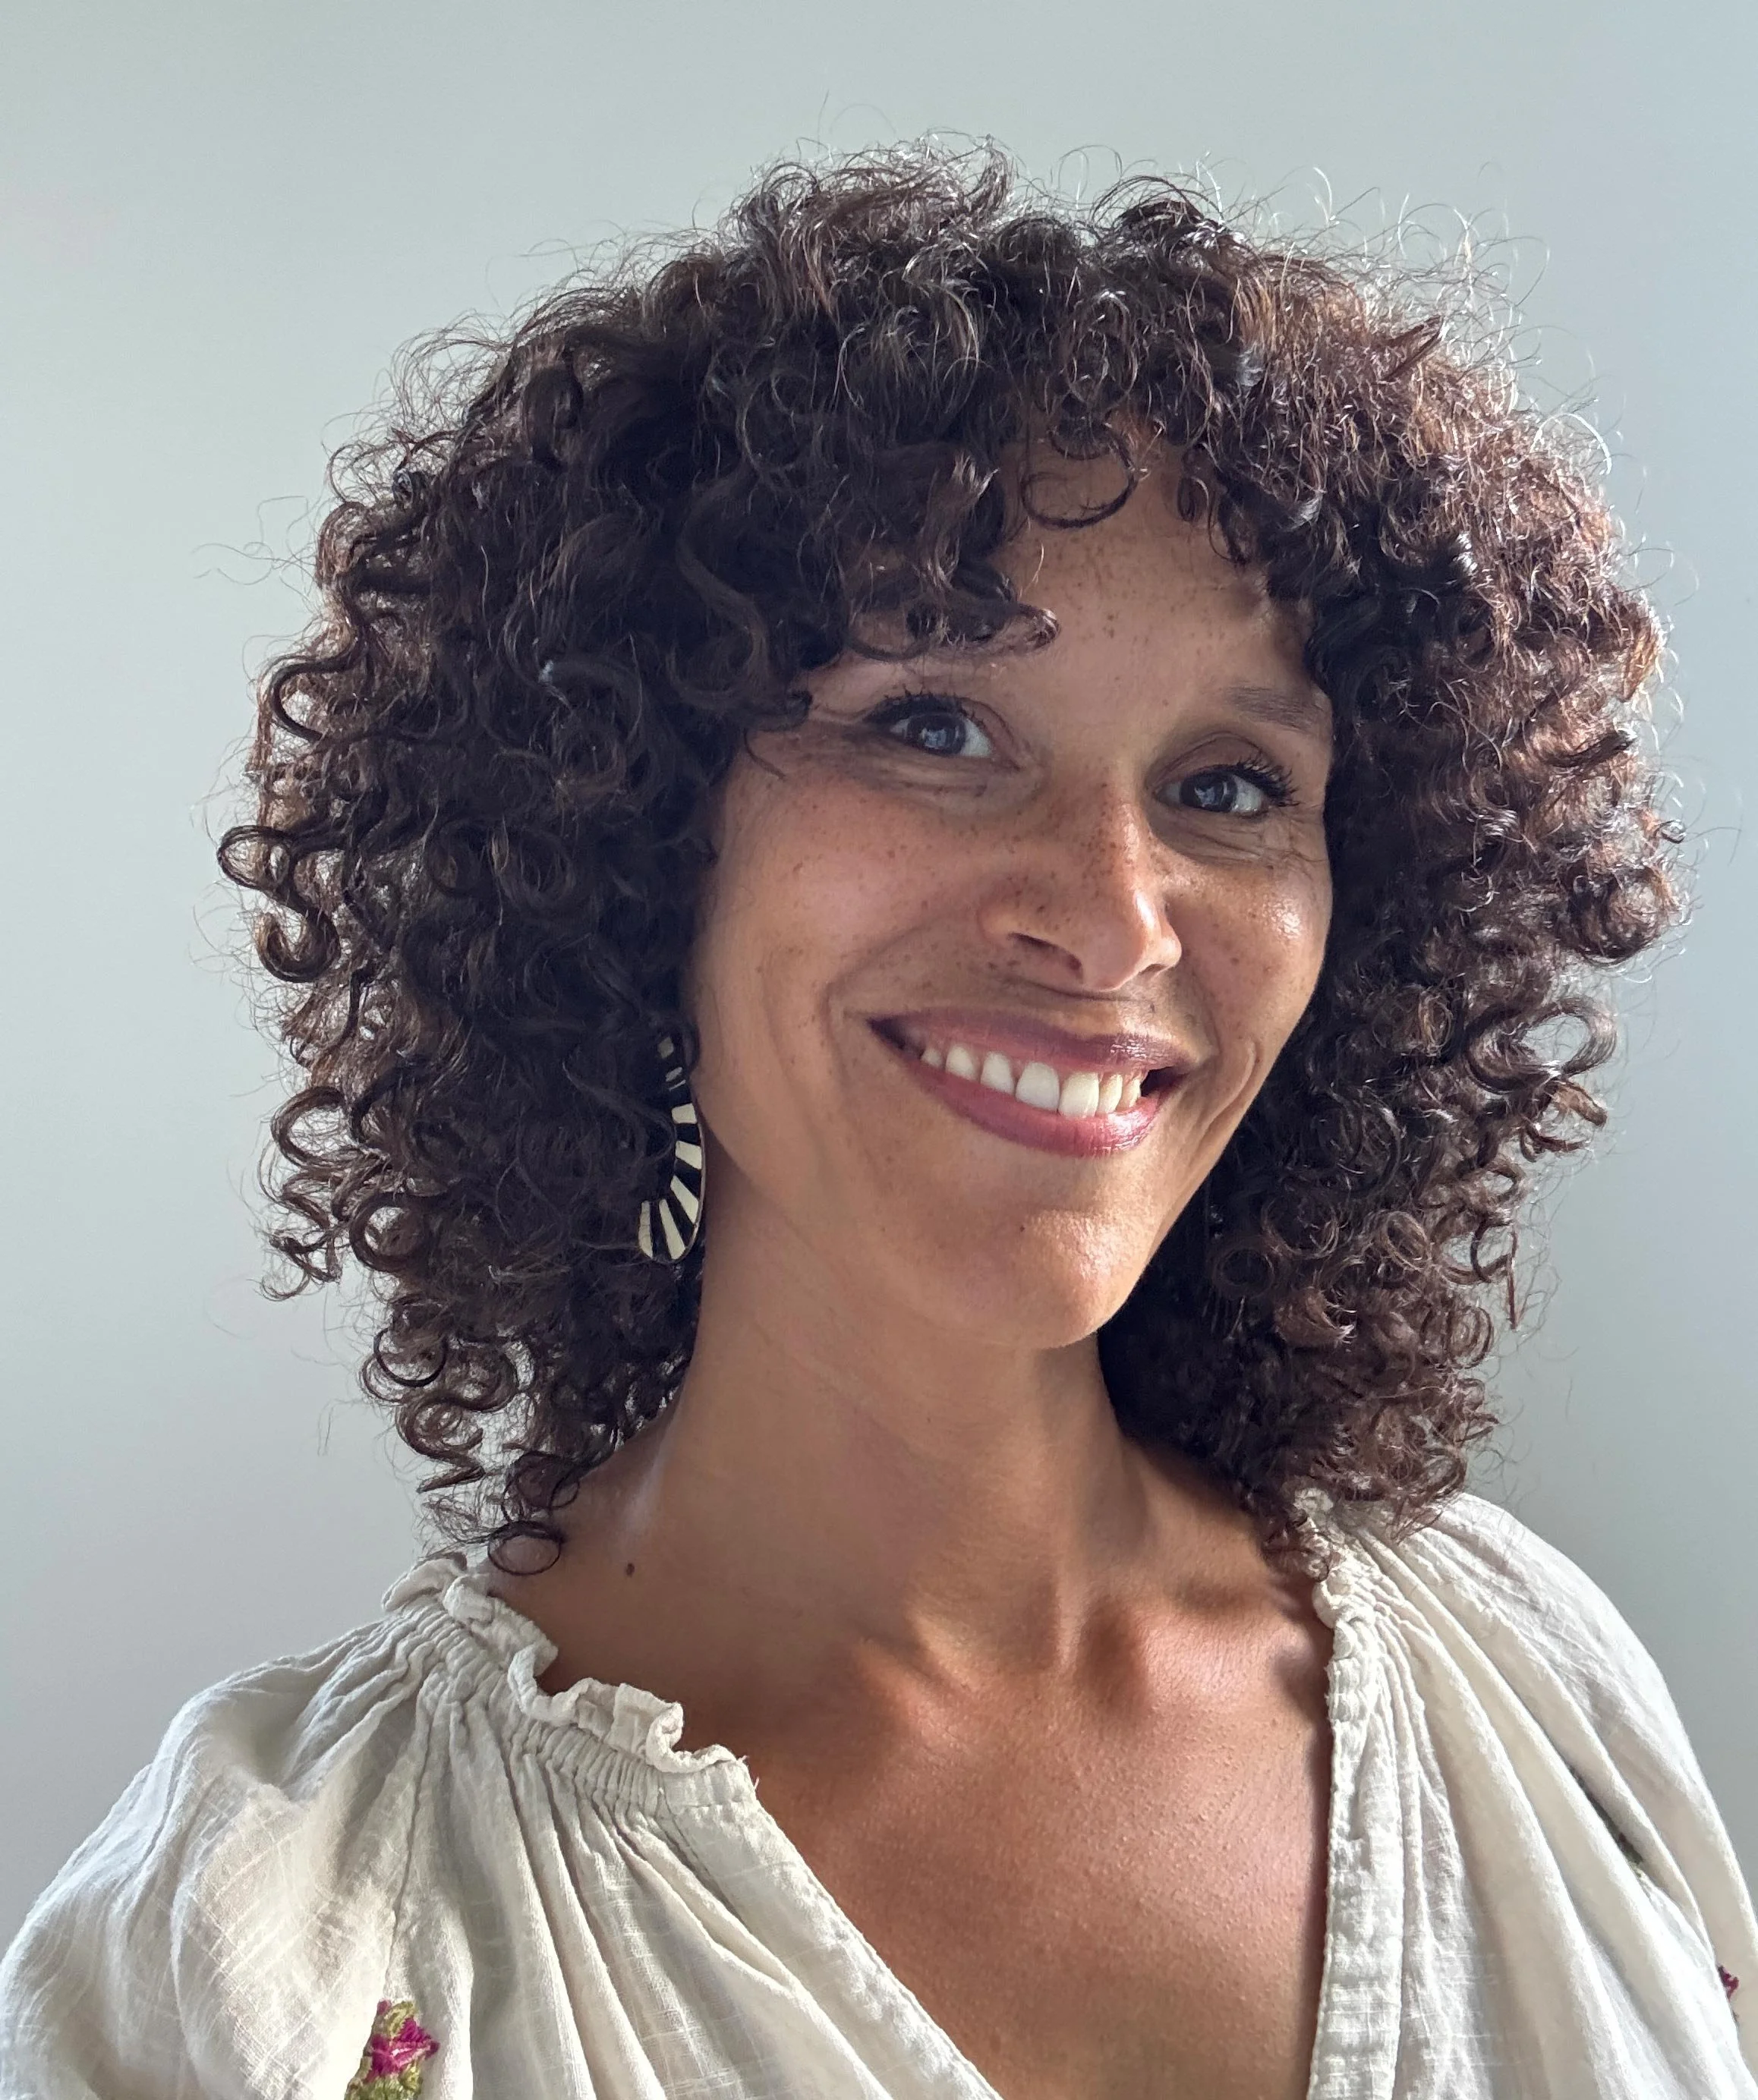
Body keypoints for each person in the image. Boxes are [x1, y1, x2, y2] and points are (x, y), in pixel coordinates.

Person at [2, 144, 1752, 2100]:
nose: (1108, 912)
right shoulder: (283, 1940)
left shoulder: (1526, 1682)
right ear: (630, 831)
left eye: (1234, 786)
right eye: (934, 726)